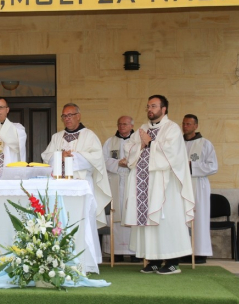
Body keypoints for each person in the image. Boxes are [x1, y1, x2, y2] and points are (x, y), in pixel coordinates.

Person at [123, 95, 194, 275]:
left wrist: (151, 142)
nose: (150, 109)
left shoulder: (172, 129)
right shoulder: (143, 129)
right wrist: (141, 144)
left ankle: (172, 261)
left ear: (164, 109)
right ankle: (153, 260)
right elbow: (129, 149)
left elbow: (173, 153)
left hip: (165, 185)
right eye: (148, 106)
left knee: (167, 221)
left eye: (154, 106)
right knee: (148, 221)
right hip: (143, 183)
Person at [41, 103, 111, 265]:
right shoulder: (57, 137)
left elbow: (97, 159)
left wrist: (73, 157)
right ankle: (59, 259)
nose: (67, 119)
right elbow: (46, 156)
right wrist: (59, 155)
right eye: (64, 116)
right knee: (60, 220)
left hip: (81, 185)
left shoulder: (89, 135)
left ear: (78, 116)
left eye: (70, 115)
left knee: (82, 220)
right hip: (59, 186)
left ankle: (86, 261)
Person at [180, 114, 218, 264]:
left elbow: (213, 166)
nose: (185, 126)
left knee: (199, 217)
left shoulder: (205, 144)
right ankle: (184, 251)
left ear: (196, 126)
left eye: (189, 124)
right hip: (181, 186)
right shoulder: (178, 144)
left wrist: (192, 166)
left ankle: (200, 252)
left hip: (198, 184)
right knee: (182, 218)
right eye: (183, 124)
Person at [102, 116, 138, 262]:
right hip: (115, 181)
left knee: (133, 213)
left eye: (125, 124)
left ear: (131, 125)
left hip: (132, 181)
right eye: (120, 124)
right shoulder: (110, 142)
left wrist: (129, 163)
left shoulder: (138, 142)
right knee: (115, 214)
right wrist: (118, 164)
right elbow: (102, 160)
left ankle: (136, 252)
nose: (122, 126)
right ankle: (115, 252)